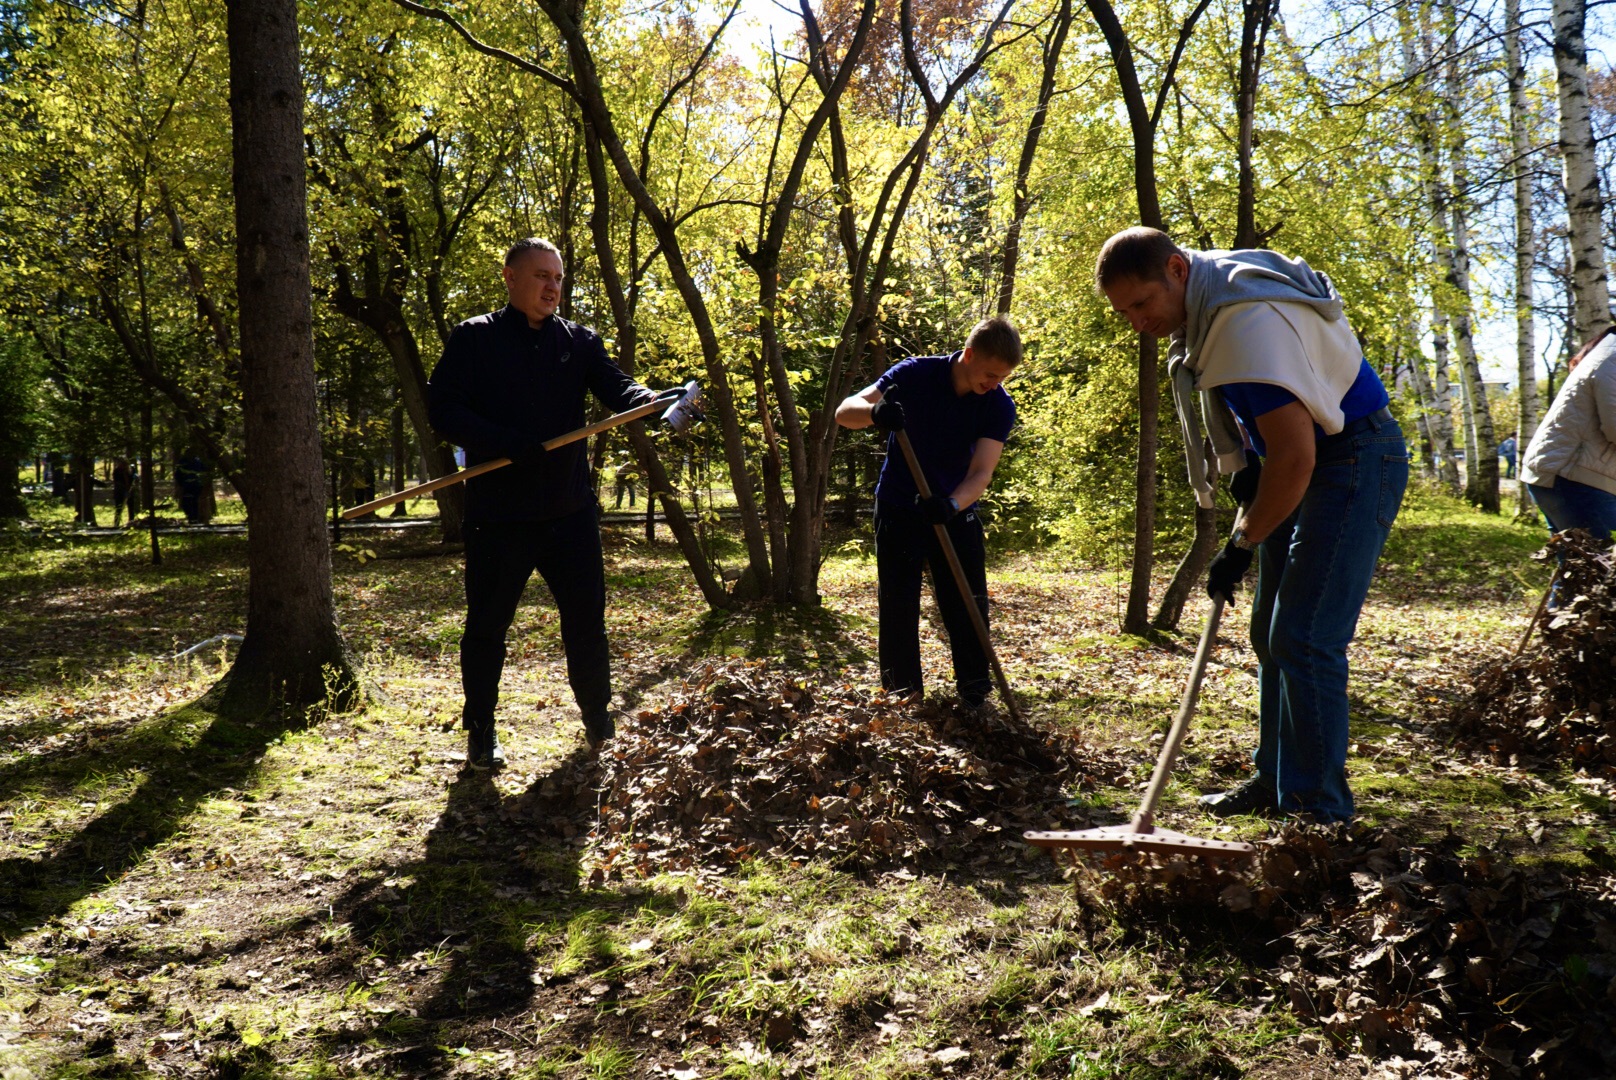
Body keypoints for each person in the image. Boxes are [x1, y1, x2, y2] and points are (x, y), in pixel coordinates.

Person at [1096, 227, 1408, 823]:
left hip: (1354, 459)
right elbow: (1274, 440)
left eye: (1141, 303)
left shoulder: (1242, 323)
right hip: (1299, 459)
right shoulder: (1207, 312)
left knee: (1307, 637)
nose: (1136, 321)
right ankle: (1276, 780)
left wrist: (1243, 542)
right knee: (1271, 633)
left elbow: (1297, 459)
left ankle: (1319, 812)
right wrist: (1246, 472)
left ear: (1176, 270)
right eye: (1124, 312)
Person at [427, 237, 667, 770]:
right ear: (510, 278)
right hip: (499, 516)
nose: (552, 287)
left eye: (557, 278)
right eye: (541, 276)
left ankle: (600, 724)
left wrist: (646, 402)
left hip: (569, 513)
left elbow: (617, 387)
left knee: (586, 623)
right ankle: (481, 733)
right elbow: (442, 408)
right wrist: (500, 440)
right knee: (487, 627)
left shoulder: (578, 342)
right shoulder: (474, 339)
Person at [834, 316, 1020, 709]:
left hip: (954, 508)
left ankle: (974, 691)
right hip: (899, 505)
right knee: (898, 601)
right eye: (990, 374)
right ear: (968, 355)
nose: (994, 383)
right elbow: (845, 412)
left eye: (1002, 377)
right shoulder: (915, 374)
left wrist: (952, 503)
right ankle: (903, 693)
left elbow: (982, 471)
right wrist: (877, 413)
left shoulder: (998, 405)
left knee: (967, 601)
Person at [1521, 328, 1616, 543]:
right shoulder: (1613, 358)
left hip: (1569, 475)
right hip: (1572, 478)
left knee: (1580, 568)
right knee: (1597, 568)